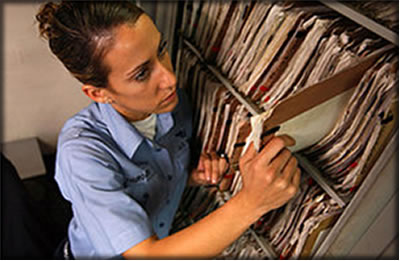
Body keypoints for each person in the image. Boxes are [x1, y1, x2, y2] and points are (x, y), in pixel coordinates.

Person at [36, 1, 300, 259]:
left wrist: (188, 177)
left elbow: (149, 181)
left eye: (161, 49)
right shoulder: (81, 153)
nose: (170, 79)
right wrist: (252, 203)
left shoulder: (175, 105)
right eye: (141, 74)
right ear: (98, 93)